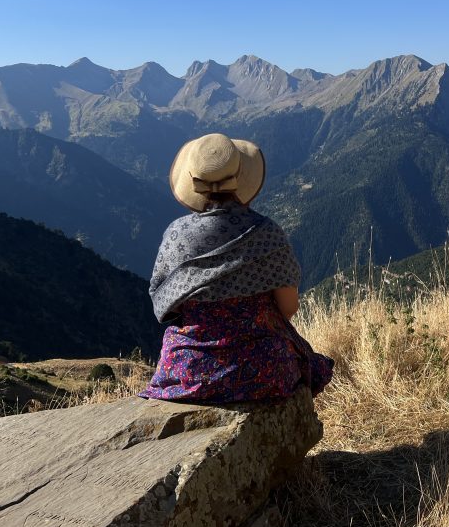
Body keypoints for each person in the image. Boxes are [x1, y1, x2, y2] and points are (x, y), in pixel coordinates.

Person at [138, 133, 334, 403]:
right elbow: (288, 307)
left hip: (189, 370)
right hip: (264, 366)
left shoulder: (175, 235)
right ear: (241, 176)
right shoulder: (266, 233)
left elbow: (164, 306)